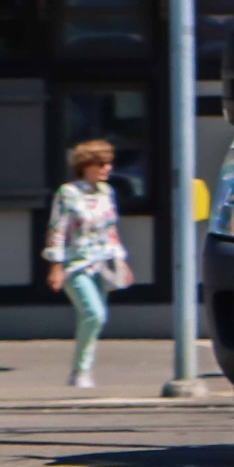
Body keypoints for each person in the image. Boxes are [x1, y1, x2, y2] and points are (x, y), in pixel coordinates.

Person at [44, 140, 133, 388]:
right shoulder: (68, 193)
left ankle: (82, 370)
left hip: (103, 262)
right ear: (86, 165)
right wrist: (55, 265)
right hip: (76, 264)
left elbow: (111, 230)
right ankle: (80, 371)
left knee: (95, 319)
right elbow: (57, 229)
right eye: (101, 163)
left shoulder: (107, 192)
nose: (107, 168)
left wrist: (122, 262)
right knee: (94, 314)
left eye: (108, 163)